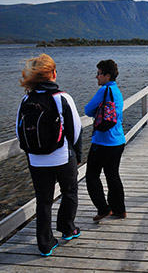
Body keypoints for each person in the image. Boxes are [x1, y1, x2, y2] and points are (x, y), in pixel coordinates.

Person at [16, 53, 82, 257]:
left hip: (36, 159)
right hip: (62, 156)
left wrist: (32, 154)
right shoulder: (62, 97)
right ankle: (68, 229)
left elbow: (19, 131)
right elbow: (76, 130)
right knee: (69, 191)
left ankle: (45, 244)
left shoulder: (26, 98)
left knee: (43, 200)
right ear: (53, 73)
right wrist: (77, 155)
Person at [85, 59, 126, 222]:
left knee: (91, 176)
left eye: (99, 74)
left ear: (107, 76)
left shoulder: (104, 90)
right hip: (118, 140)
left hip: (103, 141)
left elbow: (88, 110)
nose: (96, 77)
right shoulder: (117, 91)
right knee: (112, 175)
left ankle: (103, 208)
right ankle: (119, 210)